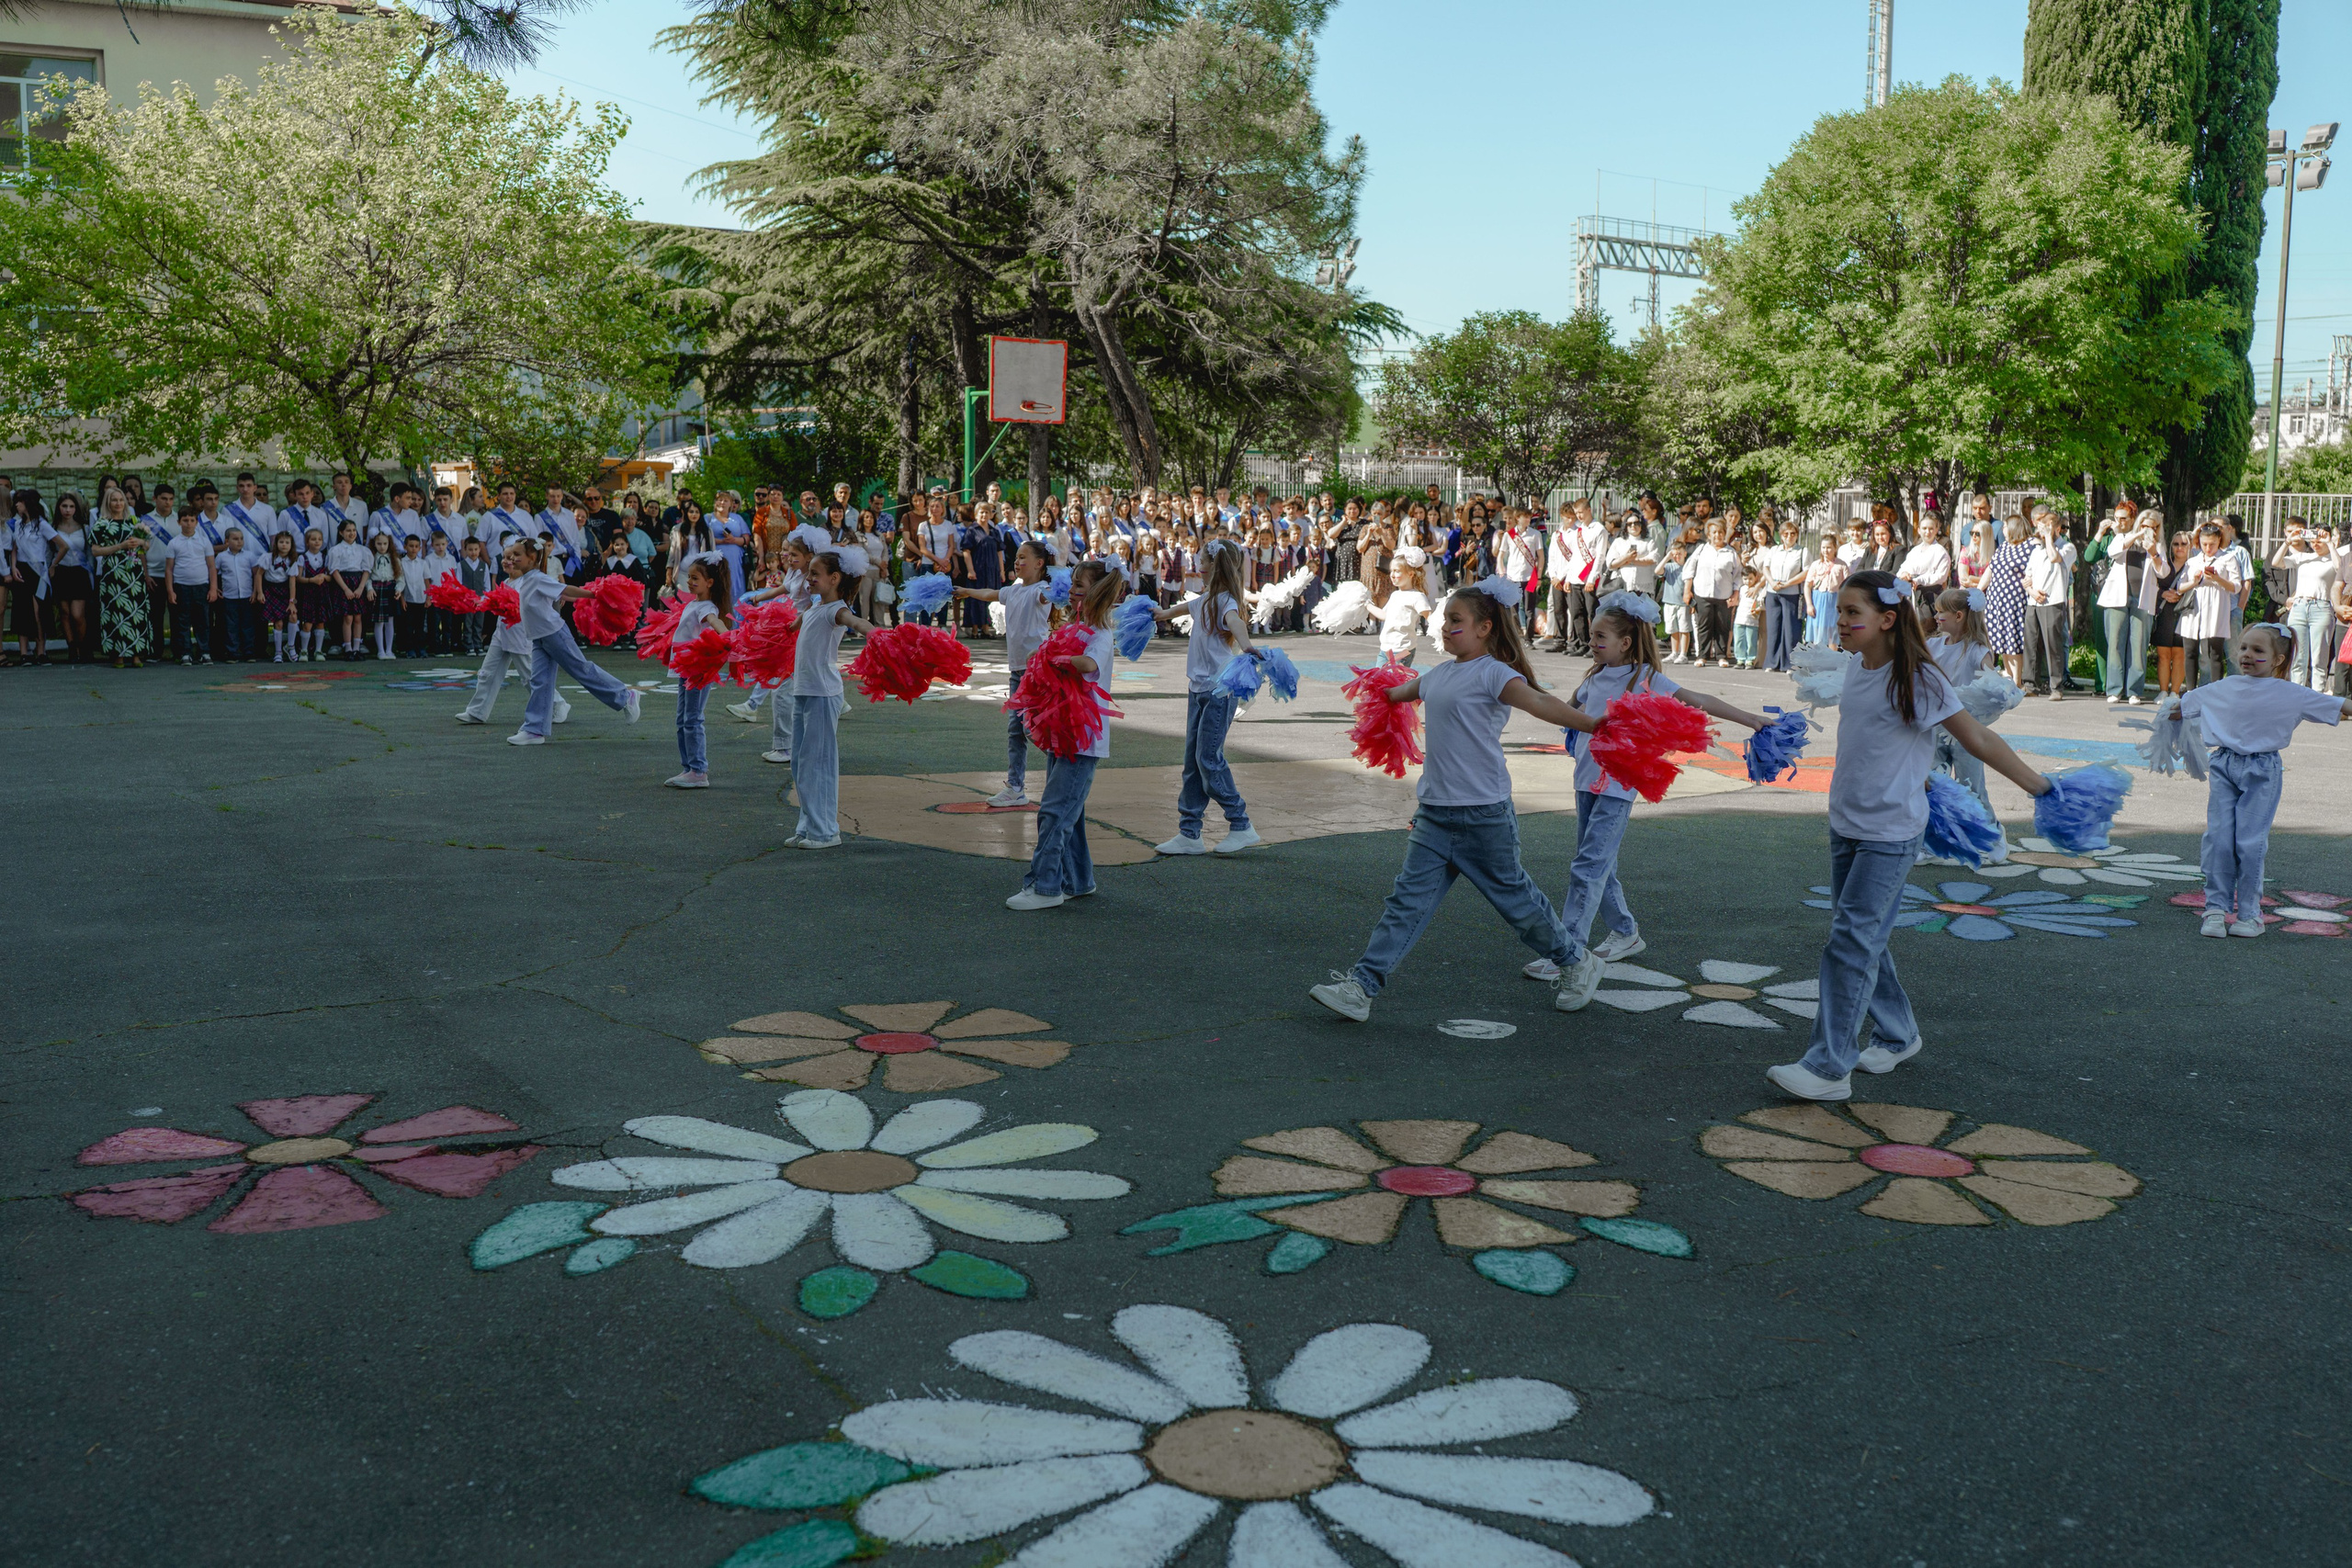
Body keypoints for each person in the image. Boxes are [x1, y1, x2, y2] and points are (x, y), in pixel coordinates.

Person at [1764, 570, 2054, 1103]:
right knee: (1861, 936)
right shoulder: (1856, 667)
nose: (1843, 621)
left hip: (1891, 832)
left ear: (1888, 619)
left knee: (1850, 942)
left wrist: (2040, 787)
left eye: (1854, 613)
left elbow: (1979, 739)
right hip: (1847, 824)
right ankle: (1898, 1033)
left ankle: (1829, 1067)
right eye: (1842, 611)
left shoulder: (1919, 679)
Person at [1308, 577, 1611, 1023]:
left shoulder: (1495, 673)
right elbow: (1397, 693)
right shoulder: (1439, 675)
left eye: (1456, 620)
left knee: (1519, 906)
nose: (1445, 626)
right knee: (1405, 904)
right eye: (1444, 618)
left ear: (1485, 627)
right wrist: (1377, 692)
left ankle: (1574, 961)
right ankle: (1361, 987)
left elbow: (1539, 703)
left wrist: (1592, 725)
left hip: (1483, 814)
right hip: (1433, 814)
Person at [1521, 594, 1772, 979]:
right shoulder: (1593, 676)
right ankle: (1624, 931)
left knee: (1588, 866)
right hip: (1586, 781)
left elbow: (1700, 700)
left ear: (1625, 641)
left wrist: (1751, 719)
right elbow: (1563, 710)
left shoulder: (1647, 679)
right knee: (1597, 863)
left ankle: (1568, 949)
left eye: (1600, 636)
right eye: (1591, 635)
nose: (1592, 641)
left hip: (1618, 786)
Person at [2177, 623, 2350, 938]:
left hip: (2262, 770)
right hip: (2224, 765)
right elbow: (2185, 705)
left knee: (2250, 842)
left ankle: (2250, 915)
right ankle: (2215, 908)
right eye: (2243, 647)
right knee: (2218, 838)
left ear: (2278, 660)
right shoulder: (2225, 686)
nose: (2246, 655)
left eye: (2258, 650)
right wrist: (2171, 712)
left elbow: (2339, 706)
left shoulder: (2292, 694)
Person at [1005, 560, 1123, 911]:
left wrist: (1058, 658)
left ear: (1097, 594)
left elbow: (1088, 665)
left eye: (1080, 587)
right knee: (1070, 811)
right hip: (1064, 734)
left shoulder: (1100, 635)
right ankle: (1078, 880)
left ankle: (1045, 887)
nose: (1071, 591)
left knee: (1055, 812)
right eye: (1072, 585)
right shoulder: (1075, 627)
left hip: (1083, 740)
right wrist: (1044, 654)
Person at [1148, 539, 1260, 855]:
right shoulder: (1206, 598)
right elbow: (1179, 609)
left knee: (1208, 759)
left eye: (1200, 559)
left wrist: (1247, 645)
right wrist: (1158, 614)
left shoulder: (1225, 600)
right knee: (1192, 763)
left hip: (1219, 690)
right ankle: (1190, 832)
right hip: (1198, 689)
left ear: (1213, 565)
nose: (1196, 563)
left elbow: (1235, 621)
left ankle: (1241, 823)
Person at [783, 546, 876, 847]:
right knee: (799, 762)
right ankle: (808, 825)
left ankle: (825, 832)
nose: (808, 578)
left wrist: (876, 634)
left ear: (834, 578)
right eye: (809, 573)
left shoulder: (838, 610)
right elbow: (801, 621)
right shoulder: (815, 607)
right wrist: (791, 624)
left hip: (823, 694)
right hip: (804, 691)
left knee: (817, 763)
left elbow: (856, 622)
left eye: (815, 574)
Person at [508, 536, 641, 745]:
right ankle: (534, 729)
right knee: (540, 681)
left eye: (517, 555)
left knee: (581, 669)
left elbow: (566, 590)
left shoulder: (537, 578)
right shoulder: (526, 579)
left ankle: (626, 696)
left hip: (554, 634)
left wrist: (593, 595)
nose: (512, 558)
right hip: (539, 638)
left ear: (531, 558)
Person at [956, 539, 1057, 807]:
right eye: (1016, 558)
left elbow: (1051, 596)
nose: (1017, 562)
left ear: (1040, 564)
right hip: (1017, 671)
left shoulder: (1041, 590)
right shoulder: (1013, 590)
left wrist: (1062, 588)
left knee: (1039, 728)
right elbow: (991, 594)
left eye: (1024, 558)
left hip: (1037, 671)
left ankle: (1059, 779)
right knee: (1016, 729)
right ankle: (1015, 787)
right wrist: (967, 590)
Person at [457, 541, 570, 728]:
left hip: (520, 635)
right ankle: (477, 711)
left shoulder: (530, 581)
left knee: (530, 677)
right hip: (501, 634)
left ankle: (558, 704)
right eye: (504, 558)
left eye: (511, 558)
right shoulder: (506, 582)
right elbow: (497, 601)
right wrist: (481, 601)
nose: (506, 561)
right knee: (487, 673)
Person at [664, 555, 735, 789]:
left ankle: (698, 770)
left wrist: (728, 638)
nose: (690, 582)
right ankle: (689, 768)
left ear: (710, 583)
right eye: (689, 577)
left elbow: (715, 622)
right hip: (687, 668)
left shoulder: (706, 606)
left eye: (696, 578)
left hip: (697, 669)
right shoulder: (694, 603)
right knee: (682, 718)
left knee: (693, 718)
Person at [1927, 587, 1996, 813]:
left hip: (1967, 729)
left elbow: (1992, 681)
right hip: (1936, 726)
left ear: (1958, 616)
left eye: (1940, 612)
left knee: (1971, 786)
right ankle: (1939, 832)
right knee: (1933, 782)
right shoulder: (1933, 646)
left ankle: (1986, 833)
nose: (1936, 617)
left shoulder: (1977, 650)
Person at [2091, 507, 2166, 705]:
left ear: (2157, 529)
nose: (2147, 530)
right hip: (2117, 598)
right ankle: (2115, 689)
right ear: (2138, 524)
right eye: (2143, 525)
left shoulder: (2158, 546)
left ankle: (2134, 690)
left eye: (2151, 527)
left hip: (2142, 600)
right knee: (2115, 643)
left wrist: (2154, 553)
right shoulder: (2123, 538)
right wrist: (2135, 537)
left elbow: (2164, 573)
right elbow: (2113, 552)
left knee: (2138, 645)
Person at [2271, 517, 2338, 689]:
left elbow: (2340, 568)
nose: (2316, 544)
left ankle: (2316, 699)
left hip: (2321, 607)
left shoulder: (2333, 558)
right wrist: (2288, 541)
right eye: (2313, 540)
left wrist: (2329, 543)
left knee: (2318, 659)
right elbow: (2276, 562)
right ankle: (2297, 697)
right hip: (2299, 607)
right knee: (2297, 658)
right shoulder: (2302, 556)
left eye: (2319, 541)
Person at [2173, 523, 2241, 689]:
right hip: (2193, 609)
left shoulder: (2228, 558)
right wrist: (2194, 581)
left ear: (2219, 540)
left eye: (2212, 544)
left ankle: (2214, 692)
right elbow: (2179, 588)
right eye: (2204, 544)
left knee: (2214, 653)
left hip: (2216, 609)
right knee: (2190, 652)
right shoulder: (2193, 561)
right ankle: (2190, 691)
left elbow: (2235, 587)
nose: (2208, 548)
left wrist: (2217, 578)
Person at [88, 489, 151, 668]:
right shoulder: (103, 523)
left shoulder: (134, 521)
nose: (118, 504)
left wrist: (140, 543)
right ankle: (119, 654)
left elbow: (146, 546)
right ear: (108, 503)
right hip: (114, 573)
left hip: (134, 573)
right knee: (117, 612)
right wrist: (120, 546)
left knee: (135, 611)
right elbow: (95, 550)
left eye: (121, 500)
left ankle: (137, 654)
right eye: (114, 500)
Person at [2021, 507, 2075, 699]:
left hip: (2053, 601)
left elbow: (2054, 558)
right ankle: (2030, 685)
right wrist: (2032, 592)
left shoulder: (2067, 548)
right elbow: (2025, 579)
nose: (2042, 531)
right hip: (2034, 602)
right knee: (2031, 643)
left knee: (2053, 645)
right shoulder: (2036, 551)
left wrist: (2050, 538)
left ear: (2057, 529)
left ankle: (2056, 687)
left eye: (2047, 527)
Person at [163, 507, 219, 664]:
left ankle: (204, 652)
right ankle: (185, 652)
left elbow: (211, 567)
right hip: (182, 587)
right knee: (183, 621)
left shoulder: (204, 541)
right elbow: (169, 569)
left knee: (203, 621)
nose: (188, 524)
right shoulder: (174, 543)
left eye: (192, 520)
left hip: (201, 586)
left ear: (196, 522)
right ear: (179, 522)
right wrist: (170, 591)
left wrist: (213, 588)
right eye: (185, 520)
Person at [1686, 519, 1741, 668]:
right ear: (1709, 535)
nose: (1717, 535)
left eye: (1720, 532)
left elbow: (1737, 576)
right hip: (1702, 593)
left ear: (1724, 534)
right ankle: (1702, 656)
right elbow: (1689, 570)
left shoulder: (1731, 553)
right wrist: (1687, 591)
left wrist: (1736, 594)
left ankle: (1721, 656)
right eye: (1714, 532)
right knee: (1704, 625)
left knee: (1723, 626)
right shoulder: (1702, 550)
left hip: (1724, 595)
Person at [50, 492, 95, 663]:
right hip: (61, 572)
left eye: (71, 506)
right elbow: (50, 551)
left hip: (79, 572)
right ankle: (72, 648)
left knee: (77, 614)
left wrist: (91, 574)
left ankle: (83, 646)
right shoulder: (53, 528)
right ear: (59, 508)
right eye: (64, 506)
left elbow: (89, 553)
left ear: (76, 508)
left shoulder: (84, 528)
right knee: (65, 612)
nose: (68, 510)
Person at [213, 525, 264, 662]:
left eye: (241, 539)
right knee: (231, 626)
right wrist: (216, 588)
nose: (239, 542)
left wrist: (255, 592)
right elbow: (214, 573)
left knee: (248, 625)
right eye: (235, 539)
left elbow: (256, 575)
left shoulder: (250, 556)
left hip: (247, 596)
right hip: (229, 597)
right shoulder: (221, 557)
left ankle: (249, 652)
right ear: (227, 541)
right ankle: (232, 652)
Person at [2151, 530, 2191, 697]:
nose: (2179, 547)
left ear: (2191, 546)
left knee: (2179, 655)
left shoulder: (2195, 565)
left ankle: (2174, 692)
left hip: (2186, 613)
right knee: (2163, 655)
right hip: (2165, 613)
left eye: (2183, 544)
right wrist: (2162, 594)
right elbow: (2151, 585)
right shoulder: (2164, 565)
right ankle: (2162, 691)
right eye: (2176, 544)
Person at [1376, 555, 1432, 667]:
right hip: (1385, 649)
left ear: (1410, 574)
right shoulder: (1395, 594)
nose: (1392, 575)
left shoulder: (1417, 596)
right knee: (1379, 682)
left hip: (1402, 649)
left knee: (1395, 682)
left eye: (1397, 571)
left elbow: (1430, 618)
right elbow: (1384, 615)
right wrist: (1366, 603)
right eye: (1391, 571)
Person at [259, 533, 300, 662]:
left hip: (285, 591)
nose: (284, 545)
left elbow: (292, 581)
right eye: (281, 542)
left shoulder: (292, 560)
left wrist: (292, 601)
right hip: (271, 590)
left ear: (291, 545)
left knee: (293, 615)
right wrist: (259, 592)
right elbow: (259, 575)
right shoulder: (268, 558)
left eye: (287, 542)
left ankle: (291, 646)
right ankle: (278, 652)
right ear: (276, 544)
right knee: (278, 622)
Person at [295, 527, 333, 661]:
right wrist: (312, 580)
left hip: (322, 593)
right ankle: (304, 651)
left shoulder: (325, 557)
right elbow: (298, 578)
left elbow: (331, 577)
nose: (317, 542)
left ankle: (319, 650)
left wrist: (323, 576)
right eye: (313, 539)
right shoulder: (302, 558)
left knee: (321, 622)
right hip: (308, 593)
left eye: (319, 539)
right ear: (307, 542)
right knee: (308, 623)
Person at [1804, 536, 1848, 647]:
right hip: (1818, 601)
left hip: (1834, 601)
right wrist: (1809, 604)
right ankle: (1818, 662)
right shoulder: (1815, 564)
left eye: (1828, 547)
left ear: (1835, 548)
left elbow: (1847, 586)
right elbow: (1807, 586)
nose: (1825, 550)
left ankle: (1831, 661)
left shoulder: (1841, 565)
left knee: (1833, 633)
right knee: (1818, 632)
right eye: (1823, 547)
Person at [366, 531, 401, 660]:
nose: (382, 546)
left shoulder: (394, 559)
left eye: (385, 543)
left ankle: (389, 649)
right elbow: (367, 576)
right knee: (379, 621)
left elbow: (400, 577)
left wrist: (398, 589)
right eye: (379, 543)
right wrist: (369, 588)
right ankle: (380, 650)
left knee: (390, 621)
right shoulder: (371, 558)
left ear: (389, 543)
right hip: (377, 589)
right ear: (374, 544)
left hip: (390, 588)